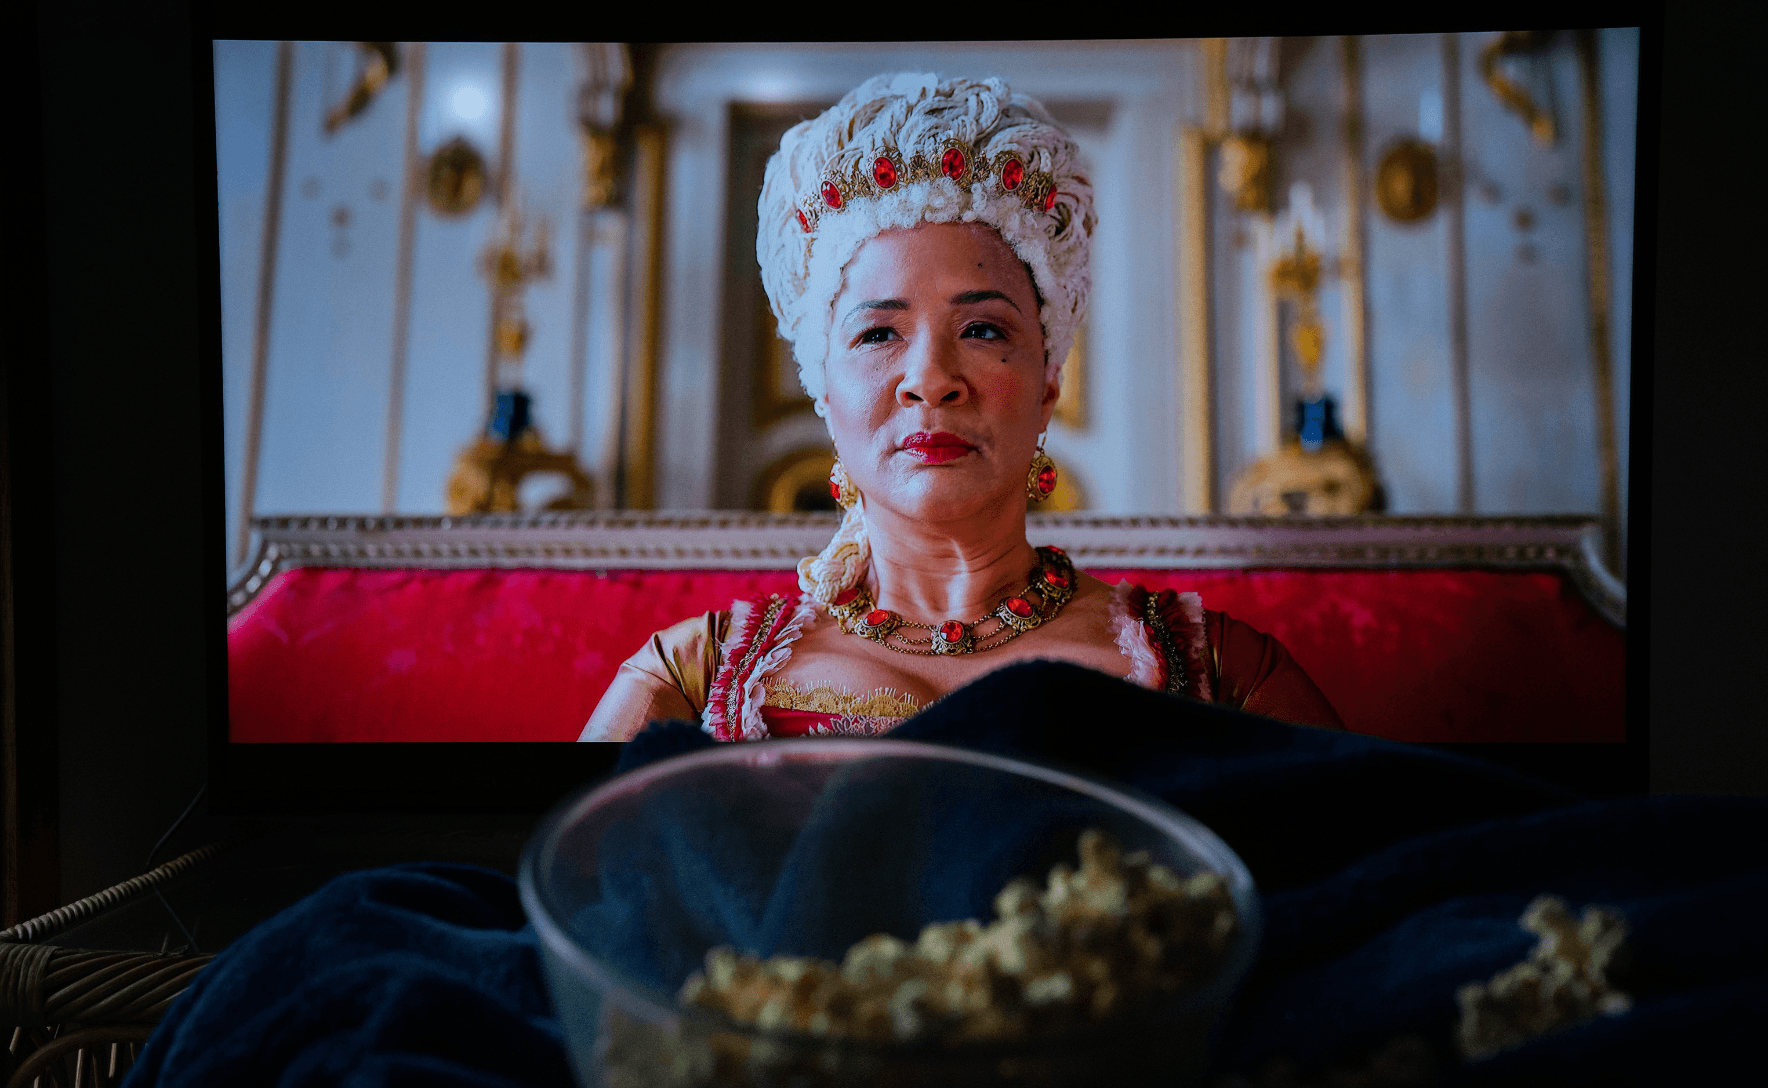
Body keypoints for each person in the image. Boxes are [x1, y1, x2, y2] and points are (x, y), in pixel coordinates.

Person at [582, 73, 1342, 742]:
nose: (931, 379)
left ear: (1049, 381)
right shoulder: (693, 678)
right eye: (879, 333)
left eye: (982, 329)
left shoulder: (1217, 670)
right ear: (824, 388)